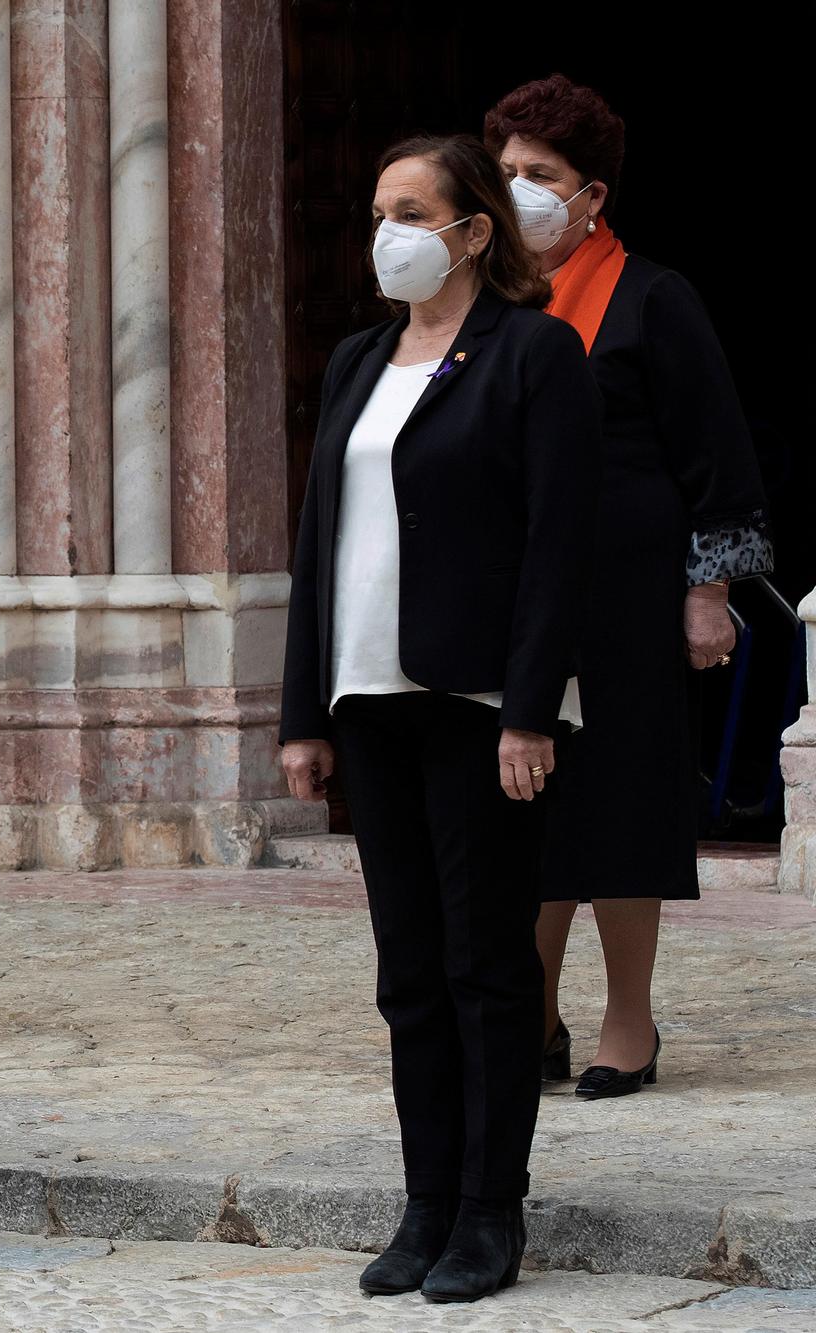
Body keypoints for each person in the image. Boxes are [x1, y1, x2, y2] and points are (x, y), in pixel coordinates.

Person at [279, 135, 599, 1303]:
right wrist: (300, 709)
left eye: (409, 210)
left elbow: (556, 548)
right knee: (406, 967)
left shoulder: (533, 353)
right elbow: (318, 541)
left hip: (477, 708)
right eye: (376, 211)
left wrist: (527, 711)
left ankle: (486, 1208)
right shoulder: (362, 357)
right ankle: (421, 1200)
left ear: (473, 231)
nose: (384, 233)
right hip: (369, 698)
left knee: (484, 964)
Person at [485, 75, 774, 1100]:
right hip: (513, 599)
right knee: (521, 812)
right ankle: (531, 1015)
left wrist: (706, 592)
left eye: (541, 175)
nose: (519, 190)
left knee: (616, 807)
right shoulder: (481, 306)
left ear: (590, 193)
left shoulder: (652, 296)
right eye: (507, 171)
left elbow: (716, 456)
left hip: (626, 594)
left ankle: (626, 1020)